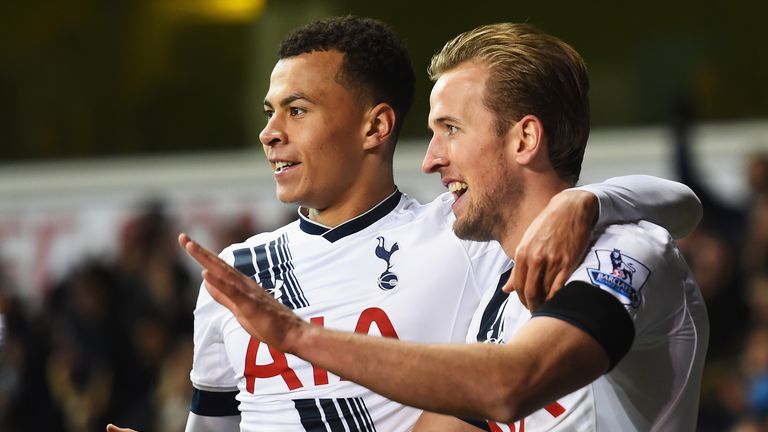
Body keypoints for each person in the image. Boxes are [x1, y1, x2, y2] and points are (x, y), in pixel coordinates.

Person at [179, 21, 708, 431]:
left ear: (524, 139)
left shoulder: (626, 250)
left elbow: (511, 385)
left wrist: (294, 335)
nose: (431, 159)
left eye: (450, 129)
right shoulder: (494, 309)